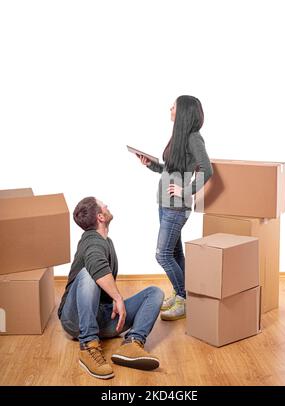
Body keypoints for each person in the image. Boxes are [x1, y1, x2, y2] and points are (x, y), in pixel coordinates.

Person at [57, 197, 164, 379]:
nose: (107, 206)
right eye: (104, 205)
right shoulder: (91, 240)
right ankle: (88, 346)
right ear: (101, 216)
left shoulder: (107, 241)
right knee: (88, 273)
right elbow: (95, 263)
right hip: (74, 319)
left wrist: (115, 300)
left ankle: (132, 344)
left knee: (155, 293)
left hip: (102, 317)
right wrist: (118, 298)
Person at [138, 95, 213, 321]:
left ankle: (183, 298)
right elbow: (170, 170)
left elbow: (207, 170)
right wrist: (151, 164)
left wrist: (186, 191)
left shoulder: (193, 138)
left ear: (183, 113)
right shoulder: (178, 136)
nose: (170, 108)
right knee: (175, 253)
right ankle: (182, 294)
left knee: (162, 255)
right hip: (164, 205)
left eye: (174, 106)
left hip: (177, 208)